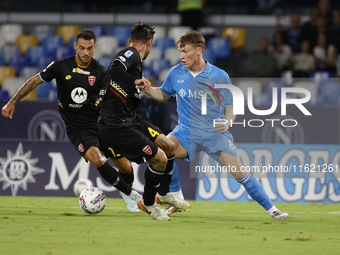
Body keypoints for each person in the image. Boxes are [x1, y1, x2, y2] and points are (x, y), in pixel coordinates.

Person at [142, 30, 289, 219]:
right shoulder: (176, 72)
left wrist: (227, 123)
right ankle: (175, 196)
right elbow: (163, 94)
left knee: (239, 174)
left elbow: (231, 107)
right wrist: (148, 89)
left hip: (214, 133)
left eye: (185, 51)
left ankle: (273, 210)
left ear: (198, 50)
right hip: (186, 131)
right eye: (180, 51)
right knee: (161, 150)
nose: (181, 56)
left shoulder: (219, 75)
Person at [1, 28, 142, 211]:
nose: (85, 52)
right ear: (75, 46)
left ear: (95, 47)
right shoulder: (61, 66)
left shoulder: (100, 72)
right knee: (98, 160)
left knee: (125, 167)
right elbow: (34, 81)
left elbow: (112, 98)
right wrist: (12, 101)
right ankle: (133, 195)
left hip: (100, 124)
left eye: (89, 48)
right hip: (78, 128)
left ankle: (126, 192)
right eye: (82, 48)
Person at [97, 23, 189, 221]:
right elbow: (113, 70)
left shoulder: (135, 61)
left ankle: (164, 194)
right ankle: (149, 204)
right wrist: (135, 82)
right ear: (149, 43)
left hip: (129, 119)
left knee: (169, 145)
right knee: (160, 159)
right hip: (116, 124)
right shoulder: (131, 54)